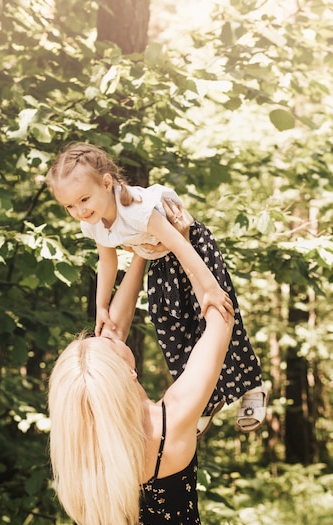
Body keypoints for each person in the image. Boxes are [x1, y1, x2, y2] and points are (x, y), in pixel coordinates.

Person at [48, 245, 234, 525]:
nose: (108, 330)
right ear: (127, 375)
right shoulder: (172, 420)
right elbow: (221, 317)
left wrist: (141, 251)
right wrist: (184, 251)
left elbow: (113, 327)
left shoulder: (84, 444)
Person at [47, 142, 268, 435]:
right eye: (70, 206)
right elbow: (107, 262)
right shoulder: (94, 223)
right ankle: (205, 399)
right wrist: (101, 306)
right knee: (169, 328)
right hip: (160, 261)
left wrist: (211, 287)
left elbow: (179, 243)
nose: (79, 210)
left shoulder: (136, 210)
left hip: (192, 249)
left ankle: (251, 386)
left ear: (106, 183)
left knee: (217, 314)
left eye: (84, 199)